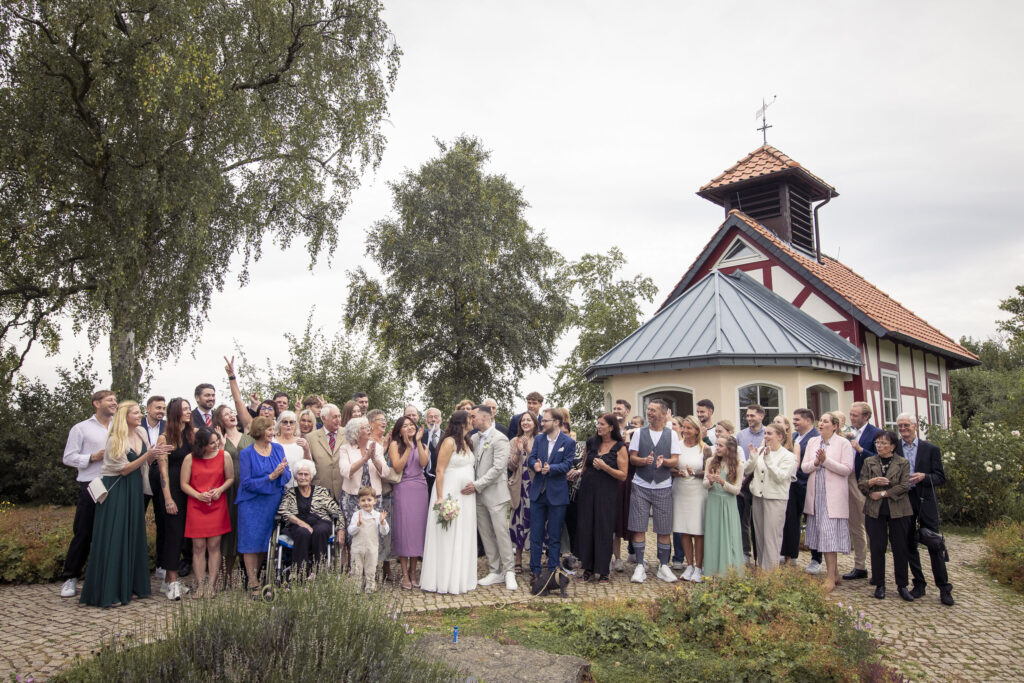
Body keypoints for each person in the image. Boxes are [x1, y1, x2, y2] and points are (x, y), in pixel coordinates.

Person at [79, 401, 166, 607]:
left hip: (135, 488)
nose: (139, 415)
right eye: (135, 412)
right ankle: (109, 592)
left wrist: (155, 454)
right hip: (117, 490)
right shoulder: (115, 440)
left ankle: (130, 586)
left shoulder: (142, 433)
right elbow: (124, 469)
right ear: (124, 416)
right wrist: (148, 455)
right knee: (115, 536)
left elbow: (145, 462)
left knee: (132, 535)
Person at [59, 389, 117, 598]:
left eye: (115, 400)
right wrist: (92, 457)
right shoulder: (81, 428)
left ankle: (104, 577)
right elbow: (68, 457)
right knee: (84, 532)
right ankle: (71, 577)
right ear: (96, 403)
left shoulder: (118, 427)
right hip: (91, 484)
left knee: (110, 533)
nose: (114, 403)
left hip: (114, 484)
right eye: (109, 400)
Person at [896, 413, 954, 606]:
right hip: (904, 500)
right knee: (909, 543)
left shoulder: (930, 449)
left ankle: (944, 587)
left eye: (906, 425)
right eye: (900, 426)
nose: (903, 429)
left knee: (934, 542)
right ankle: (919, 583)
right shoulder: (895, 448)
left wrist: (924, 477)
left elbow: (940, 477)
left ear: (915, 426)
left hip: (925, 499)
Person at [420, 410, 479, 594]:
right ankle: (444, 580)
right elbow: (439, 470)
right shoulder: (449, 442)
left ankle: (460, 578)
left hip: (466, 497)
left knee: (463, 533)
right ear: (462, 423)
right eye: (470, 418)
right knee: (448, 534)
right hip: (450, 493)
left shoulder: (467, 441)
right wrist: (440, 497)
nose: (473, 421)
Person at [236, 416, 291, 598]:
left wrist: (281, 474)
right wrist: (271, 477)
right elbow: (246, 483)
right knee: (251, 543)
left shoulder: (278, 448)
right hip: (252, 503)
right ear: (259, 431)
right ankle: (253, 582)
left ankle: (257, 577)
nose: (272, 433)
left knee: (264, 542)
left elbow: (287, 473)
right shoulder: (246, 453)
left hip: (273, 502)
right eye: (269, 429)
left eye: (272, 429)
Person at [627, 399, 679, 583]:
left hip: (663, 485)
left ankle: (663, 566)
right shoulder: (639, 433)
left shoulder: (672, 435)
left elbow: (675, 460)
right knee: (638, 526)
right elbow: (632, 458)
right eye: (648, 409)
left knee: (664, 528)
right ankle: (640, 565)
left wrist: (664, 462)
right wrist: (644, 461)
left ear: (663, 414)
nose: (649, 412)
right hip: (641, 484)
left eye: (653, 410)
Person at [801, 412, 855, 592]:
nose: (821, 424)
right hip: (816, 495)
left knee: (829, 535)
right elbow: (804, 467)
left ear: (835, 426)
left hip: (833, 496)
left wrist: (826, 461)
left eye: (825, 421)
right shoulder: (812, 442)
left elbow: (847, 469)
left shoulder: (843, 443)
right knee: (823, 535)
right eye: (820, 421)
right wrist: (817, 462)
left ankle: (830, 577)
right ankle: (835, 573)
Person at [467, 405, 518, 591]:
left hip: (495, 494)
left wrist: (477, 484)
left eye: (473, 416)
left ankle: (509, 571)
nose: (471, 420)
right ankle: (495, 570)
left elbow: (498, 468)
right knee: (486, 534)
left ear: (484, 417)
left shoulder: (500, 438)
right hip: (478, 496)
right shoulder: (474, 438)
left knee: (501, 533)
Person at [859, 430, 914, 601]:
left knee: (900, 547)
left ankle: (902, 585)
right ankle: (879, 584)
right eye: (877, 443)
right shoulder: (869, 461)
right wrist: (872, 482)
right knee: (877, 547)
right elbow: (861, 484)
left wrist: (883, 493)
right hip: (874, 511)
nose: (879, 446)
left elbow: (904, 486)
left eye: (883, 443)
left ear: (892, 446)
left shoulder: (902, 462)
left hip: (898, 510)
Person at [181, 427, 233, 598]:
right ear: (201, 445)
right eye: (212, 443)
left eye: (216, 441)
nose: (216, 445)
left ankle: (211, 585)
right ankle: (200, 585)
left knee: (214, 546)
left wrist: (220, 490)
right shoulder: (190, 458)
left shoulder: (224, 456)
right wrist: (198, 495)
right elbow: (184, 484)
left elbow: (230, 478)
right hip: (196, 505)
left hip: (217, 505)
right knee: (198, 547)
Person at [576, 414, 628, 582]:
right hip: (587, 491)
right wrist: (578, 475)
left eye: (602, 424)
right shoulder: (591, 442)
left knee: (604, 528)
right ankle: (588, 568)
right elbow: (584, 465)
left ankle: (603, 570)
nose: (598, 426)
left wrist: (606, 467)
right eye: (597, 423)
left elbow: (623, 475)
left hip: (607, 493)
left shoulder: (620, 447)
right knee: (586, 527)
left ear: (611, 427)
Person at [526, 408, 576, 581]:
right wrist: (535, 465)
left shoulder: (568, 442)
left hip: (557, 494)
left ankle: (553, 571)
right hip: (538, 493)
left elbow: (567, 464)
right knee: (536, 535)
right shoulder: (539, 439)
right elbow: (531, 458)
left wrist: (551, 468)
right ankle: (535, 570)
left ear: (556, 422)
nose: (542, 423)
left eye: (545, 421)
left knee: (555, 536)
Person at [155, 397, 195, 600]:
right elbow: (162, 471)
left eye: (189, 408)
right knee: (173, 535)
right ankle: (171, 581)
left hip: (189, 489)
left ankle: (167, 581)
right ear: (175, 413)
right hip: (172, 491)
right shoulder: (165, 438)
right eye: (184, 409)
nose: (188, 412)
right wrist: (168, 499)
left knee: (183, 537)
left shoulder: (192, 434)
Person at [746, 423, 798, 571]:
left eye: (769, 433)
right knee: (760, 537)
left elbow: (781, 477)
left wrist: (768, 459)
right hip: (758, 497)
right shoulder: (761, 451)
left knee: (772, 537)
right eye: (765, 433)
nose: (766, 436)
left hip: (775, 499)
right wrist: (753, 458)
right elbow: (748, 470)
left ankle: (770, 573)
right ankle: (762, 570)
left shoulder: (789, 456)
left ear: (780, 436)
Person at [277, 459, 342, 578]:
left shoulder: (321, 492)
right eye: (300, 474)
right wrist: (301, 523)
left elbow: (336, 511)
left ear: (311, 476)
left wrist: (341, 529)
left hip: (320, 521)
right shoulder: (290, 493)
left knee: (321, 530)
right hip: (297, 525)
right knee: (303, 532)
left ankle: (320, 572)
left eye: (306, 474)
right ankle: (300, 574)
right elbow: (282, 510)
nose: (303, 477)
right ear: (295, 476)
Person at [212, 404, 252, 588]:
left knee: (243, 530)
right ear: (220, 420)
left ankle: (248, 576)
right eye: (226, 414)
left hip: (246, 490)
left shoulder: (248, 438)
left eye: (232, 413)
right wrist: (220, 445)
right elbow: (213, 465)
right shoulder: (218, 440)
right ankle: (225, 576)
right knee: (228, 532)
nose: (231, 415)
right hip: (226, 490)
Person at [842, 401, 881, 582]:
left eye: (855, 415)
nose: (851, 418)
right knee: (855, 525)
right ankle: (860, 566)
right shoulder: (846, 432)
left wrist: (861, 450)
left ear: (866, 416)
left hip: (865, 483)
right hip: (848, 479)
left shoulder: (875, 433)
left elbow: (879, 458)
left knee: (870, 526)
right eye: (850, 414)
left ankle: (877, 568)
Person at [389, 416, 430, 590]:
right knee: (404, 530)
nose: (410, 427)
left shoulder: (423, 445)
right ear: (399, 431)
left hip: (420, 488)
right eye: (405, 426)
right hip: (403, 488)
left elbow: (423, 463)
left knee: (417, 531)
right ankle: (405, 574)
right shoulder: (395, 445)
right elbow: (397, 467)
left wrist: (417, 442)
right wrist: (407, 447)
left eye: (411, 425)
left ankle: (414, 573)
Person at [780, 409, 821, 570]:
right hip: (793, 487)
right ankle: (791, 554)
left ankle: (816, 559)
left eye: (797, 419)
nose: (794, 422)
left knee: (813, 523)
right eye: (794, 419)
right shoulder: (795, 437)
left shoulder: (816, 438)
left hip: (808, 484)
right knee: (792, 521)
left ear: (808, 420)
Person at [672, 415, 711, 582]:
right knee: (684, 529)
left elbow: (709, 471)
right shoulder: (677, 446)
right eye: (684, 427)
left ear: (696, 430)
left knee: (698, 530)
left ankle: (699, 567)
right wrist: (677, 472)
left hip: (698, 491)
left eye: (689, 428)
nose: (685, 430)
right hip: (680, 490)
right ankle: (689, 565)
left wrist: (694, 473)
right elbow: (670, 468)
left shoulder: (705, 448)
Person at [702, 435, 745, 578]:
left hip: (728, 503)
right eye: (717, 445)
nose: (717, 448)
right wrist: (710, 481)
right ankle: (712, 571)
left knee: (729, 536)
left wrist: (723, 482)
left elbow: (737, 490)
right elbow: (704, 485)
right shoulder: (710, 461)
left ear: (730, 448)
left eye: (721, 445)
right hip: (713, 501)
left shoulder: (738, 465)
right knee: (713, 536)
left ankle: (728, 572)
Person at [366, 409, 394, 582]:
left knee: (386, 529)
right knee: (371, 531)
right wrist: (382, 450)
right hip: (370, 492)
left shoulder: (389, 440)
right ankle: (371, 568)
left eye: (385, 419)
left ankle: (387, 565)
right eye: (379, 419)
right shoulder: (366, 442)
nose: (383, 422)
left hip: (387, 491)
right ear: (370, 423)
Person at [736, 404, 767, 564]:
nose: (749, 418)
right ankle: (745, 552)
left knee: (760, 521)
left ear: (761, 416)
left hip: (762, 482)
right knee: (744, 520)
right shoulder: (740, 435)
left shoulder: (768, 434)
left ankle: (761, 555)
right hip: (744, 483)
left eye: (752, 415)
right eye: (747, 415)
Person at [508, 410, 538, 573]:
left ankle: (535, 559)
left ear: (534, 423)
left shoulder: (540, 439)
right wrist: (519, 451)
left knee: (536, 522)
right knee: (518, 522)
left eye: (528, 420)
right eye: (523, 421)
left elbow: (540, 462)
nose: (525, 423)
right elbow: (511, 466)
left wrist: (527, 447)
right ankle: (518, 559)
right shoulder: (514, 441)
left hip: (535, 487)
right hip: (519, 487)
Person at [348, 486, 390, 593]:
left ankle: (370, 586)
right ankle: (356, 587)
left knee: (371, 568)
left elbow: (384, 532)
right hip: (357, 548)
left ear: (375, 501)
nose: (366, 503)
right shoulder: (356, 515)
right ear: (359, 502)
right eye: (363, 500)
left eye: (369, 500)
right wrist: (358, 525)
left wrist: (382, 522)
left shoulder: (378, 515)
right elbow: (350, 531)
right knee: (356, 568)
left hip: (371, 547)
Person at [140, 396, 165, 578]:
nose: (161, 411)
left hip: (161, 476)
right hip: (140, 476)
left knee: (162, 522)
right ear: (148, 409)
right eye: (158, 408)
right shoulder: (137, 426)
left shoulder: (167, 427)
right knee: (136, 519)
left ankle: (161, 564)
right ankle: (137, 563)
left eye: (163, 408)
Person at [611, 399, 636, 572]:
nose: (616, 411)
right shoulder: (609, 430)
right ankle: (617, 558)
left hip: (630, 480)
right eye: (614, 408)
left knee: (631, 519)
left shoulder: (635, 431)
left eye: (619, 408)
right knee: (614, 520)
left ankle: (635, 554)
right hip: (613, 480)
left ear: (627, 411)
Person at [307, 403, 345, 500]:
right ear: (323, 418)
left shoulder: (348, 434)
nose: (338, 420)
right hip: (320, 492)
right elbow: (308, 465)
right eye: (334, 417)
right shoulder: (310, 438)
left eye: (339, 416)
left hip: (344, 490)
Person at [274, 410, 311, 488]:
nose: (288, 425)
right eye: (285, 422)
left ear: (295, 425)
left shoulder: (301, 442)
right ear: (279, 424)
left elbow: (309, 465)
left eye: (291, 422)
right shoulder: (272, 442)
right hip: (276, 485)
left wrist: (306, 449)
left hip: (296, 486)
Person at [422, 407, 443, 494]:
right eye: (430, 417)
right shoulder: (420, 437)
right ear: (425, 420)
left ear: (441, 420)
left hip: (442, 481)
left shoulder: (447, 437)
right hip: (424, 482)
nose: (433, 420)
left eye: (436, 417)